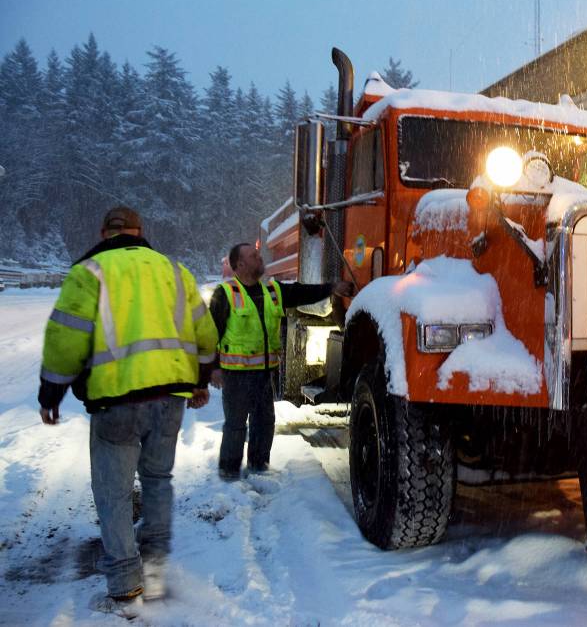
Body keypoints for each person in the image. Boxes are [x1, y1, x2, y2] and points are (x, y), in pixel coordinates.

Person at [38, 206, 218, 613]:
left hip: (115, 400)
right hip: (170, 397)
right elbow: (205, 333)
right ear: (140, 231)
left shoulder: (89, 272)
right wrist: (200, 381)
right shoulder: (175, 271)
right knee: (157, 480)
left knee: (114, 493)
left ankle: (124, 586)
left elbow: (66, 340)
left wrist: (51, 395)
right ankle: (153, 570)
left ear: (104, 232)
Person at [210, 242, 353, 480]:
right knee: (235, 425)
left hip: (264, 373)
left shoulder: (272, 290)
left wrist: (331, 288)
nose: (259, 257)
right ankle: (229, 473)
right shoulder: (225, 294)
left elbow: (302, 293)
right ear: (240, 265)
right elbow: (210, 334)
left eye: (258, 254)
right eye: (253, 256)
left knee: (264, 422)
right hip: (236, 374)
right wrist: (213, 368)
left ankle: (258, 468)